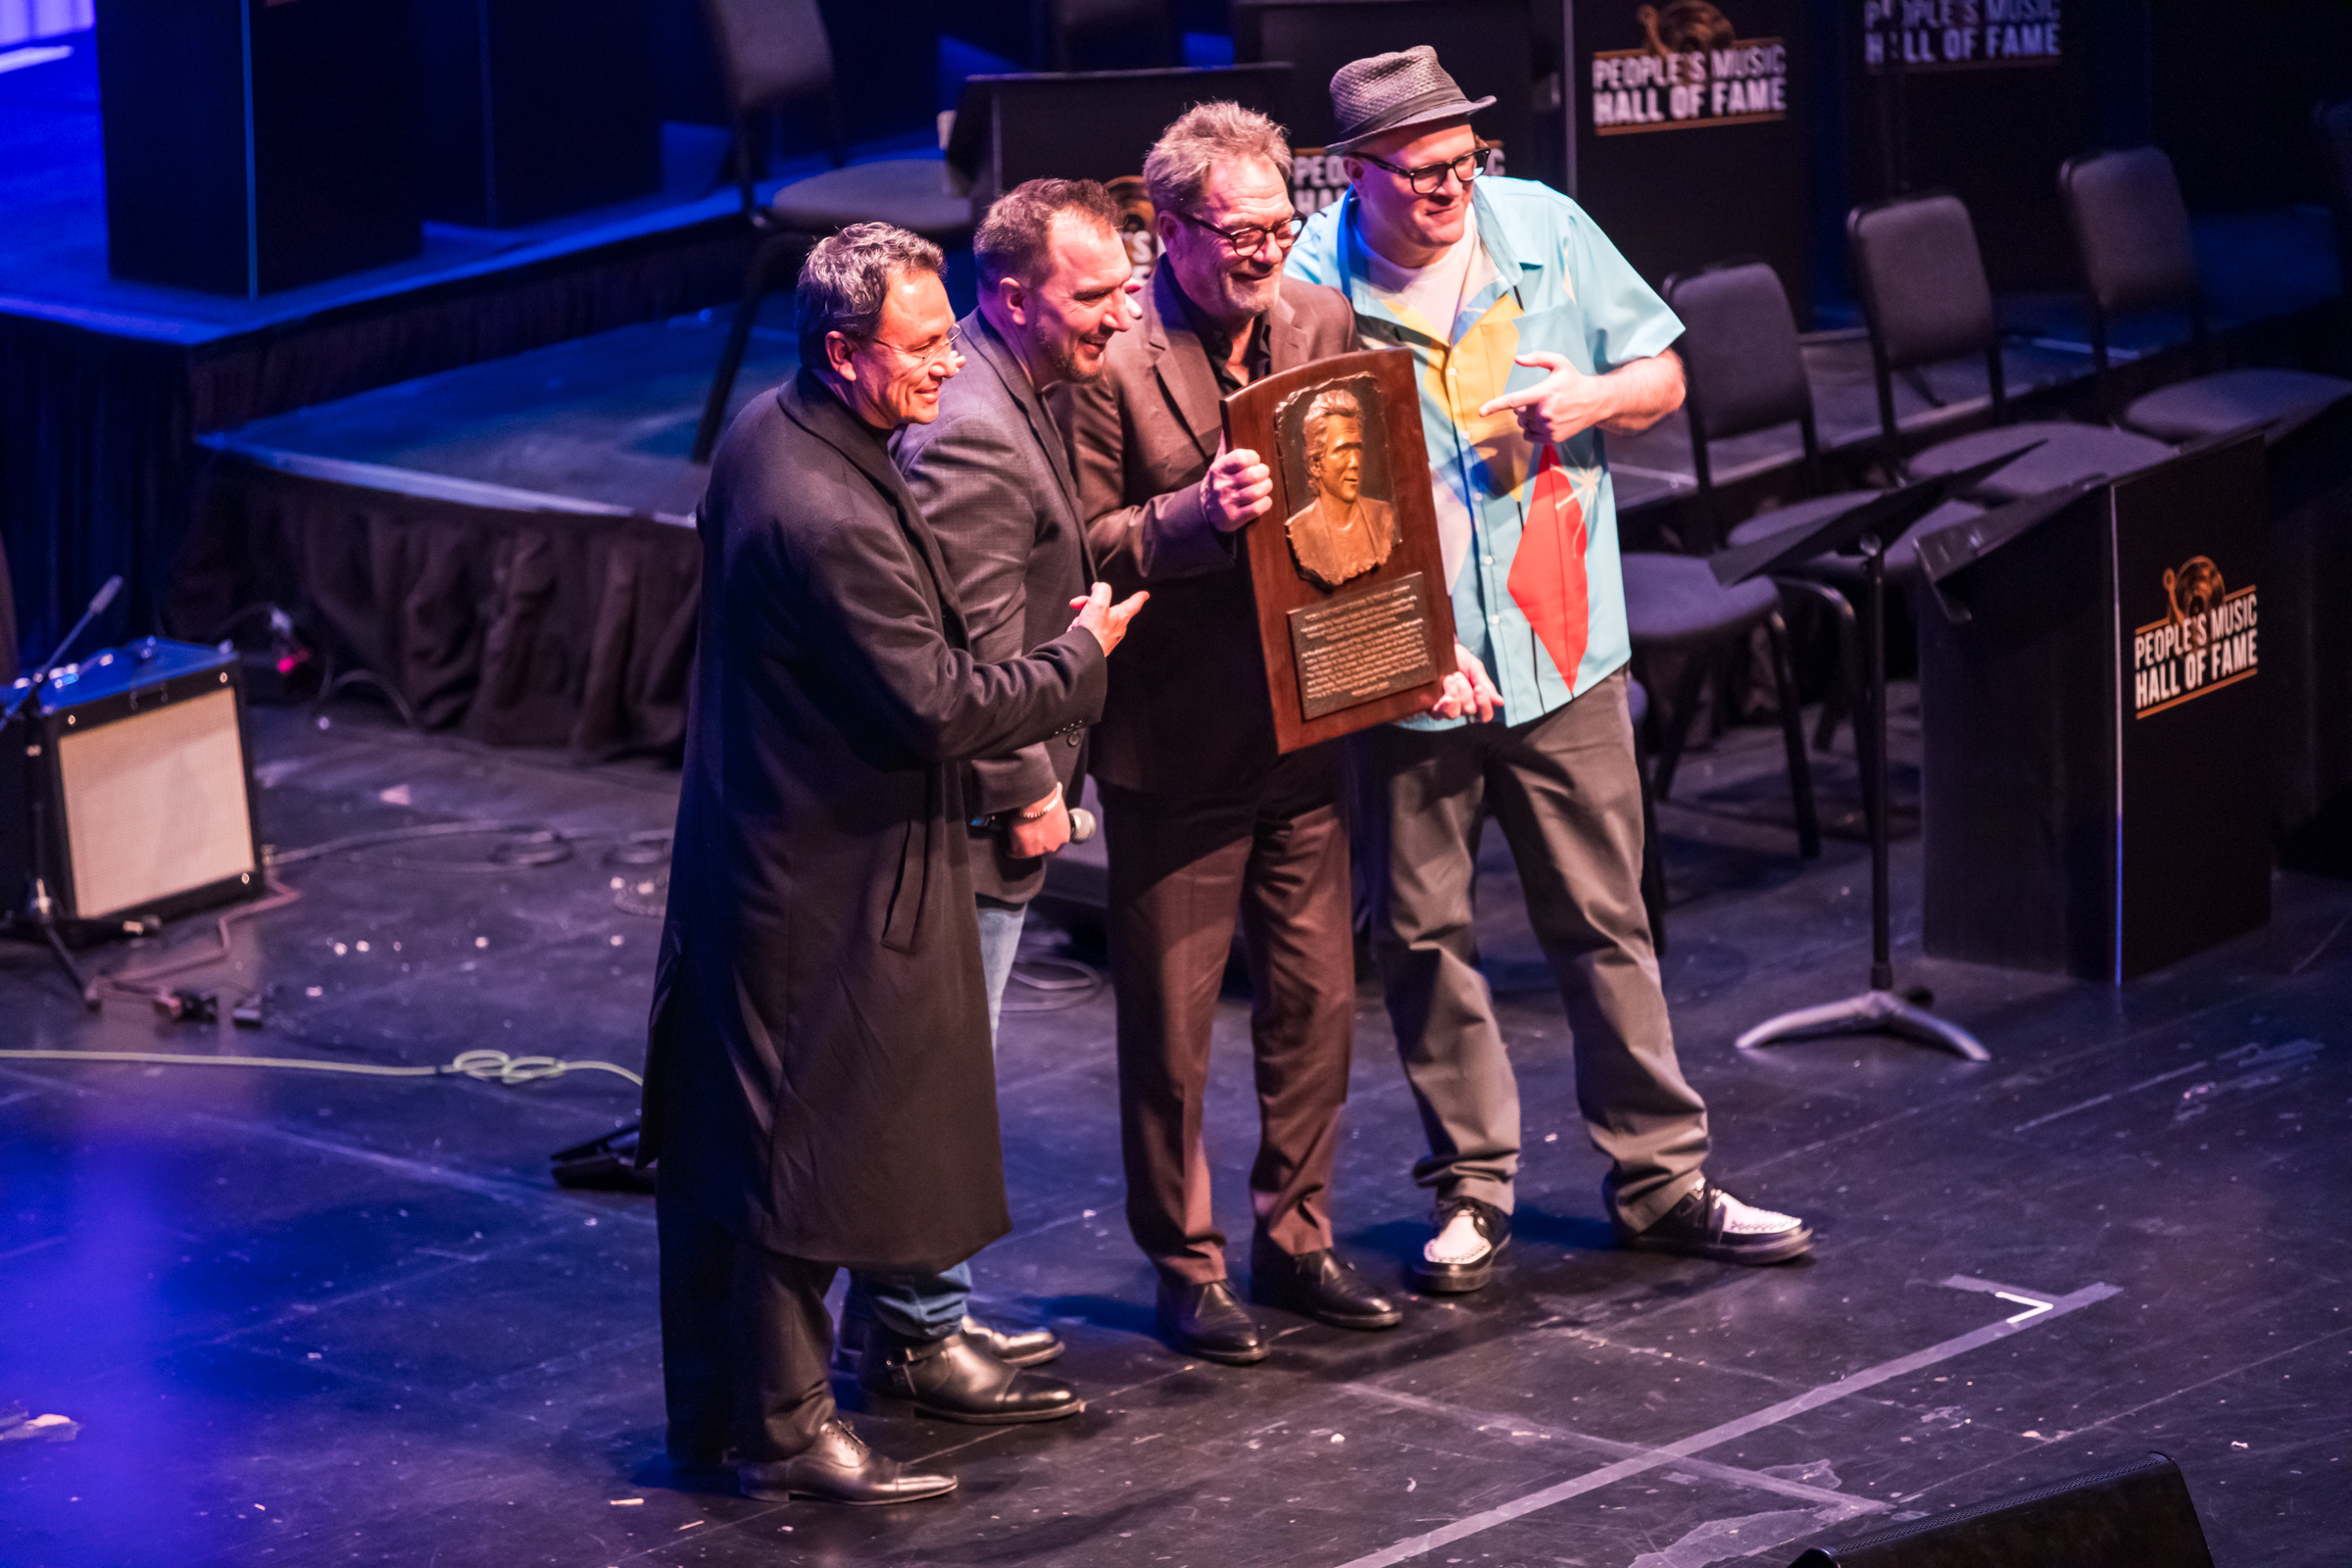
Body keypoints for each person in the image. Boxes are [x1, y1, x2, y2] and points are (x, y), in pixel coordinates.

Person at [1286, 48, 1814, 1296]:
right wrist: (1405, 645)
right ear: (1356, 175)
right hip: (1416, 667)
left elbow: (1665, 372)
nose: (1449, 188)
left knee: (1604, 917)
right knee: (1421, 933)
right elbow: (1312, 496)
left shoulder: (1546, 228)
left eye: (1465, 162)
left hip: (1561, 639)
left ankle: (1663, 1179)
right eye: (1420, 172)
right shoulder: (1315, 283)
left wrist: (1595, 399)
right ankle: (1472, 1188)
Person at [641, 222, 1146, 1505]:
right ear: (840, 352)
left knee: (749, 1146)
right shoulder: (824, 508)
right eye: (921, 349)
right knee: (799, 1155)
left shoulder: (778, 429)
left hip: (773, 843)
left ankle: (730, 1420)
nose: (944, 367)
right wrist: (1078, 659)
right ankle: (793, 1429)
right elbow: (930, 704)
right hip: (818, 875)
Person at [1060, 102, 1489, 1366]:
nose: (1267, 249)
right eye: (1241, 231)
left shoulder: (1315, 317)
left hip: (1311, 724)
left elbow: (1377, 499)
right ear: (1172, 227)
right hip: (1178, 740)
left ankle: (1295, 1238)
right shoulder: (1114, 359)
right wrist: (1191, 514)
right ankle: (1187, 1265)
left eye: (1280, 224)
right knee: (1175, 1033)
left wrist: (1422, 647)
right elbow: (1083, 545)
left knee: (1316, 1001)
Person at [831, 179, 1143, 1417]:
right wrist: (1027, 793)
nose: (1121, 314)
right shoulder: (970, 421)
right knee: (938, 1078)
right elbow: (963, 641)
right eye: (1095, 293)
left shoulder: (1024, 388)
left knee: (949, 1067)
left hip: (992, 786)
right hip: (976, 805)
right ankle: (914, 1330)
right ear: (1011, 298)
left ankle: (915, 1311)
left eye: (1127, 286)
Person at [1280, 386, 1398, 590]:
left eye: (1357, 448)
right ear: (1315, 464)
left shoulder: (1383, 517)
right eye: (1343, 450)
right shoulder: (1300, 531)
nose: (1354, 462)